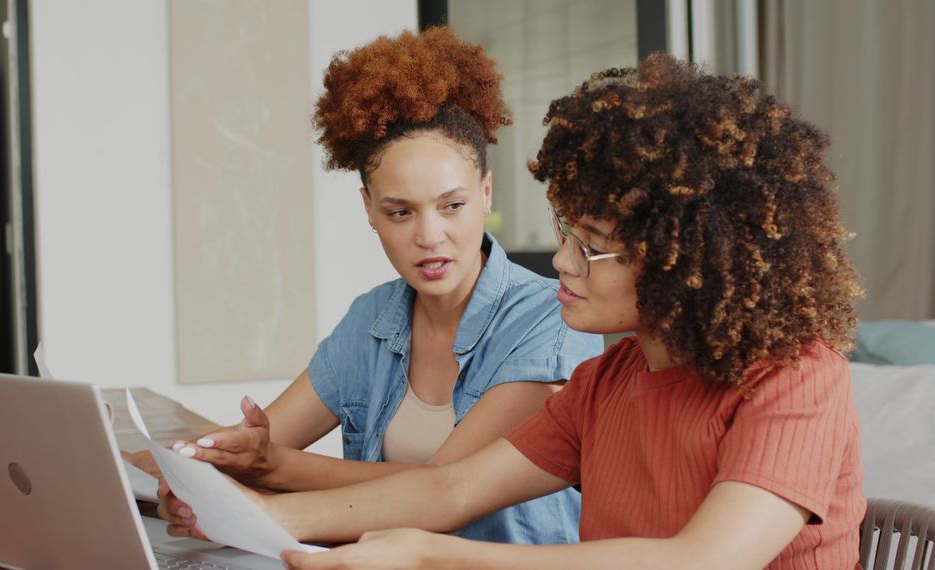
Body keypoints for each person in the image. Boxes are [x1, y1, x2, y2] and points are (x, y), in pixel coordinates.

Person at [161, 53, 867, 570]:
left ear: (681, 260)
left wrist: (429, 557)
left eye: (590, 248)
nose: (560, 262)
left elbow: (700, 560)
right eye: (565, 234)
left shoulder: (797, 379)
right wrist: (258, 516)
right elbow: (448, 489)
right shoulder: (607, 383)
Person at [149, 26, 601, 545]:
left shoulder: (551, 320)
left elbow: (444, 491)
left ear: (486, 193)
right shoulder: (373, 319)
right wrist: (195, 471)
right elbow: (256, 445)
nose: (430, 237)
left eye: (452, 206)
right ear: (369, 209)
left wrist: (273, 473)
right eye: (399, 212)